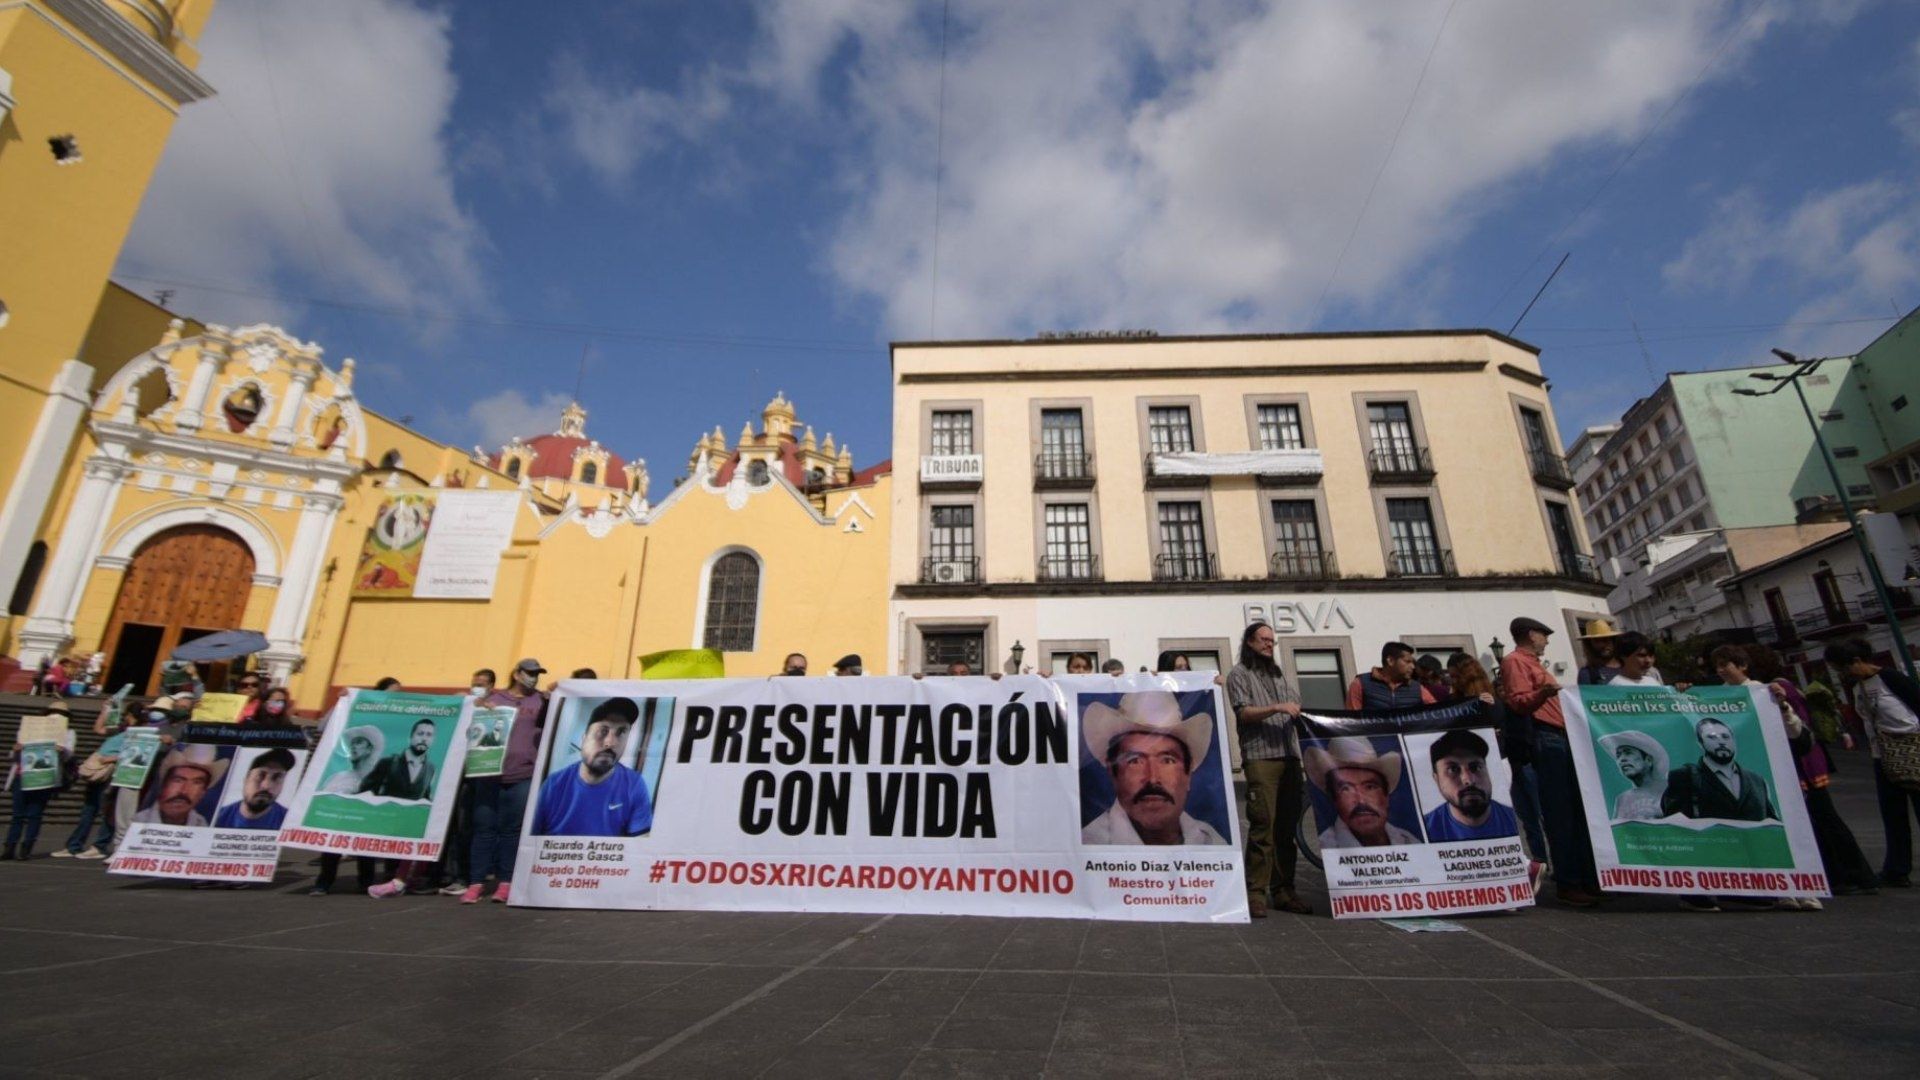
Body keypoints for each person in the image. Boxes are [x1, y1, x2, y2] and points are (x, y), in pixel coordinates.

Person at [1725, 643, 1874, 907]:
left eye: (1726, 664)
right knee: (1818, 822)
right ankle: (1834, 874)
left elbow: (1801, 728)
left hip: (1804, 764)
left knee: (1825, 820)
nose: (1720, 670)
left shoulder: (1774, 689)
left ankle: (1854, 875)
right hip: (1797, 765)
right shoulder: (1757, 691)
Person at [1501, 615, 1602, 907]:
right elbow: (1518, 702)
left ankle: (1585, 878)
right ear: (1531, 634)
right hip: (1546, 738)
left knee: (1575, 810)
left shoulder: (1532, 664)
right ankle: (1569, 881)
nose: (1547, 640)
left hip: (1562, 737)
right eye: (1544, 635)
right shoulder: (1515, 662)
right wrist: (1543, 693)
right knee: (1559, 812)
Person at [1226, 621, 1309, 917]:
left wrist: (1290, 706)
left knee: (1286, 828)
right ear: (1249, 641)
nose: (1268, 645)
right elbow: (1244, 712)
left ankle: (1285, 890)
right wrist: (1276, 707)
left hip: (1289, 756)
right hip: (1261, 757)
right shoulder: (1239, 674)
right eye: (1263, 640)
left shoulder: (1278, 673)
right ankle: (1254, 893)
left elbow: (1295, 703)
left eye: (1271, 641)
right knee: (1263, 825)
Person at [1822, 638, 1920, 888]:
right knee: (1892, 814)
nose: (1842, 675)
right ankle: (1897, 869)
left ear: (1857, 660)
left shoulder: (1891, 679)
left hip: (1910, 751)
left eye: (1842, 668)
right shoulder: (1858, 687)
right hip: (1882, 755)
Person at [1450, 652, 1546, 887]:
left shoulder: (1486, 704)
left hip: (1489, 766)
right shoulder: (1483, 702)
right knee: (1486, 820)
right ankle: (1513, 870)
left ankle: (1523, 866)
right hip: (1489, 765)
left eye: (1454, 676)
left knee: (1491, 818)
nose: (1451, 681)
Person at [1080, 692, 1227, 846]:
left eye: (1167, 760)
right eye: (1135, 761)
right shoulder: (1090, 847)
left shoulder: (1211, 842)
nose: (1153, 778)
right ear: (1112, 773)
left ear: (1188, 774)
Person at [465, 658, 552, 904]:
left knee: (511, 831)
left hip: (523, 774)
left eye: (537, 674)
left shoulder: (541, 701)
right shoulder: (496, 698)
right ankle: (476, 882)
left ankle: (506, 881)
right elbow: (468, 718)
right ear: (516, 674)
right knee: (483, 828)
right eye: (529, 673)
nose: (534, 678)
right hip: (488, 772)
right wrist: (477, 706)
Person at [532, 698, 654, 837]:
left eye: (621, 733)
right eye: (602, 731)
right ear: (583, 740)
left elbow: (641, 841)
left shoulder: (634, 784)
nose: (610, 743)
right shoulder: (554, 784)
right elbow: (531, 840)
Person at [1304, 737, 1421, 848]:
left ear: (1386, 797)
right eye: (1346, 789)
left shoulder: (1410, 841)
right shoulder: (1328, 846)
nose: (1361, 800)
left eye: (1370, 787)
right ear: (1334, 799)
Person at [1661, 716, 1779, 822]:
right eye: (1712, 737)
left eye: (1725, 737)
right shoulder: (1683, 777)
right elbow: (1675, 824)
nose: (1721, 742)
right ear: (1700, 743)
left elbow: (1772, 824)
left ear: (1734, 741)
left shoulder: (1757, 781)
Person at [56, 700, 128, 859]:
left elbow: (133, 752)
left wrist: (111, 759)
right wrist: (104, 710)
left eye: (128, 715)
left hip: (110, 772)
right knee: (88, 810)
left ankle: (100, 846)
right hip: (98, 770)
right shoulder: (119, 730)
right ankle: (74, 846)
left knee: (106, 811)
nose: (125, 717)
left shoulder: (137, 732)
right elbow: (98, 729)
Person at [1420, 730, 1521, 841]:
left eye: (1476, 767)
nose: (1468, 780)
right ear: (1436, 779)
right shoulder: (1423, 832)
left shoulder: (1513, 821)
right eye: (1453, 769)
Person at [133, 746, 227, 827]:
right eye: (178, 780)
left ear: (203, 793)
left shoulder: (202, 825)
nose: (184, 791)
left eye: (196, 783)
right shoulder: (135, 821)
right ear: (163, 784)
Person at [213, 749, 296, 830]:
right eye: (260, 776)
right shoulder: (216, 818)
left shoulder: (291, 823)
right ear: (246, 780)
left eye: (277, 777)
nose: (266, 786)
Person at [360, 718, 440, 801]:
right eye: (420, 734)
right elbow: (364, 792)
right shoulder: (387, 763)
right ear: (410, 737)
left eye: (429, 735)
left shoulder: (431, 769)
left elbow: (425, 799)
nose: (424, 739)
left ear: (432, 740)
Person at [1598, 730, 1669, 821]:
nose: (1621, 759)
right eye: (1618, 755)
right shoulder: (1622, 799)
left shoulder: (1671, 789)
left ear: (1648, 760)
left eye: (1628, 753)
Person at [1346, 642, 1437, 710]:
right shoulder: (1360, 684)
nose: (1413, 667)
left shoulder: (1417, 688)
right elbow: (1352, 721)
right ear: (1390, 661)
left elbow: (1437, 713)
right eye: (1407, 661)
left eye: (1413, 662)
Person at [321, 725, 384, 794]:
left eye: (358, 742)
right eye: (352, 743)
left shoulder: (379, 780)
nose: (353, 746)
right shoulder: (337, 778)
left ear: (369, 749)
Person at [1576, 619, 1626, 686]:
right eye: (1596, 641)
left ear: (1614, 641)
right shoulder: (1586, 674)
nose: (1602, 645)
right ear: (1590, 645)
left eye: (1605, 640)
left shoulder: (1630, 666)